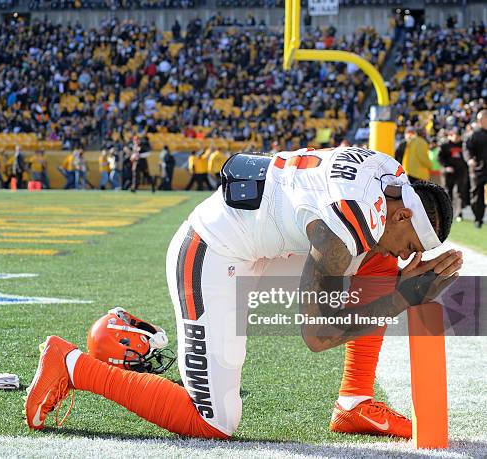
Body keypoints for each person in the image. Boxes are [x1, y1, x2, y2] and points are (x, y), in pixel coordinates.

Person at [24, 146, 461, 440]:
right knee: (215, 420)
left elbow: (366, 236)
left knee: (381, 263)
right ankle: (72, 364)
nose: (408, 255)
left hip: (266, 243)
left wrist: (400, 282)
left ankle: (355, 402)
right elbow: (318, 337)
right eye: (411, 244)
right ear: (402, 212)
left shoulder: (389, 176)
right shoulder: (343, 228)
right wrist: (404, 297)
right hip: (212, 252)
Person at [438, 128, 469, 222]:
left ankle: (459, 213)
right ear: (451, 135)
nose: (458, 138)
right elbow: (440, 158)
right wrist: (446, 167)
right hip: (448, 173)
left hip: (461, 172)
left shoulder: (464, 145)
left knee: (459, 192)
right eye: (456, 136)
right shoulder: (445, 145)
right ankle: (447, 213)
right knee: (447, 192)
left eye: (459, 136)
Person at [465, 109, 487, 228]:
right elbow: (467, 149)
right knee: (476, 195)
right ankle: (478, 218)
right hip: (478, 169)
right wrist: (470, 160)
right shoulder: (474, 134)